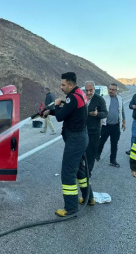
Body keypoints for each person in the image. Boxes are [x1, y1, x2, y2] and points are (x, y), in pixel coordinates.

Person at [42, 72, 90, 217]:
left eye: (63, 85)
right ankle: (90, 198)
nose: (61, 87)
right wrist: (49, 111)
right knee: (80, 171)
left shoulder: (73, 97)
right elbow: (69, 112)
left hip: (76, 140)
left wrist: (56, 105)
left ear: (70, 84)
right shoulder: (79, 93)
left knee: (68, 173)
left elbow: (61, 117)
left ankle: (71, 208)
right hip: (81, 137)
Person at [96, 83, 126, 167]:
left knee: (114, 144)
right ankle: (97, 154)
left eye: (113, 90)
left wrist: (124, 122)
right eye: (110, 89)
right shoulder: (104, 98)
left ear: (116, 90)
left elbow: (122, 111)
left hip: (116, 126)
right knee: (101, 141)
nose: (111, 91)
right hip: (106, 125)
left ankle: (113, 160)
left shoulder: (119, 98)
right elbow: (99, 110)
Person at [84, 81, 108, 179]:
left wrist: (97, 114)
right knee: (81, 152)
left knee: (91, 153)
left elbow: (105, 113)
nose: (89, 92)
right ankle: (80, 171)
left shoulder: (99, 99)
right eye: (87, 90)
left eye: (91, 90)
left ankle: (88, 172)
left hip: (94, 132)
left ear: (94, 89)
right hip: (81, 131)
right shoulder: (82, 98)